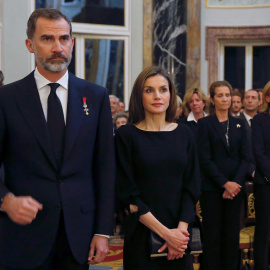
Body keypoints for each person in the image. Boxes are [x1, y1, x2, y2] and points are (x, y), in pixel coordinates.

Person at [0, 8, 115, 270]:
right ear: (30, 45)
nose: (57, 47)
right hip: (22, 236)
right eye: (47, 39)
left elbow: (105, 169)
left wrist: (102, 231)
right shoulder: (7, 99)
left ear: (72, 44)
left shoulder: (95, 97)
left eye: (64, 39)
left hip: (78, 236)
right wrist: (6, 200)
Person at [115, 66, 200, 270]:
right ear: (139, 96)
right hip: (142, 234)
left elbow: (192, 186)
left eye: (163, 89)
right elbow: (128, 193)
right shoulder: (126, 135)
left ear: (171, 94)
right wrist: (166, 234)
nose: (157, 96)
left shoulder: (185, 134)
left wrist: (179, 233)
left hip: (180, 236)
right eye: (149, 90)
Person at [197, 80, 249, 270]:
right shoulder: (204, 124)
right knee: (212, 237)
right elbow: (204, 159)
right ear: (212, 99)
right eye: (220, 95)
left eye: (227, 95)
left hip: (235, 191)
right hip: (212, 190)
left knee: (231, 236)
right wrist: (224, 183)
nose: (225, 99)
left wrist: (234, 184)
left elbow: (246, 158)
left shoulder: (240, 124)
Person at [252, 81, 270, 270]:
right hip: (265, 183)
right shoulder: (259, 120)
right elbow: (258, 152)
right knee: (264, 229)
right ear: (267, 98)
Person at [239, 89, 260, 181]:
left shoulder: (265, 121)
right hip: (241, 174)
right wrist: (251, 170)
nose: (250, 100)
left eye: (253, 98)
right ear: (243, 102)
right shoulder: (235, 121)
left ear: (260, 102)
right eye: (247, 98)